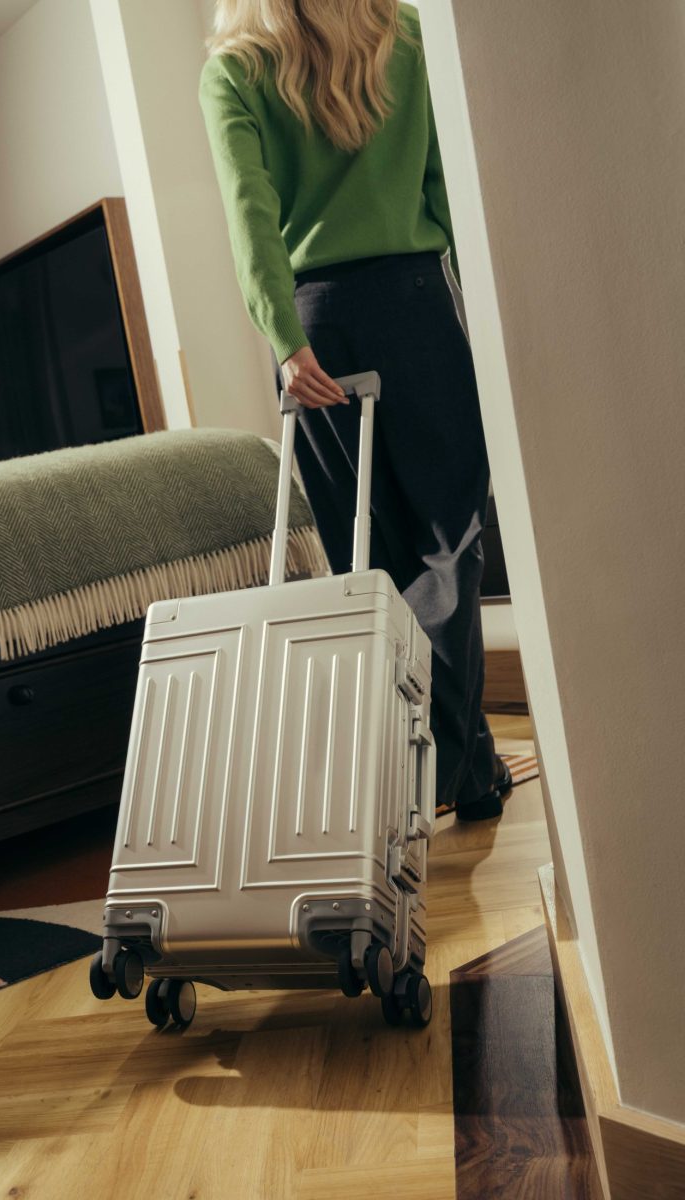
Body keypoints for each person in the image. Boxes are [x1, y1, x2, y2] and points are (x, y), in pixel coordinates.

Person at [199, 0, 511, 819]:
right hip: (416, 298)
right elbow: (446, 173)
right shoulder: (402, 31)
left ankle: (433, 771)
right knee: (455, 542)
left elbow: (249, 214)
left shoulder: (236, 67)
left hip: (318, 320)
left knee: (369, 555)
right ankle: (465, 766)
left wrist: (284, 336)